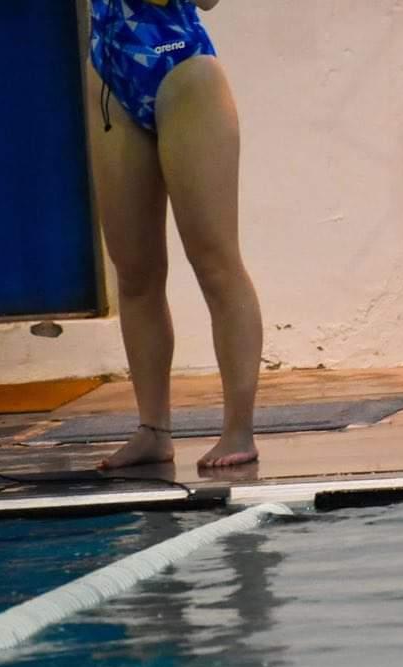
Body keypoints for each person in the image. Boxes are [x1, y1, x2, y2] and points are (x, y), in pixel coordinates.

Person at [86, 0, 263, 470]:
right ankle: (153, 429)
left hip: (182, 69)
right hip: (109, 76)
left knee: (215, 261)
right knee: (134, 270)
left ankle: (239, 429)